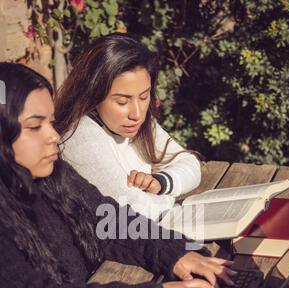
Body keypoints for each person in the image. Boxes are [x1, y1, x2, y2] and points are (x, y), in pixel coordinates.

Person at [0, 62, 236, 288]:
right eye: (35, 126)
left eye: (50, 122)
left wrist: (173, 252)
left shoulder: (51, 175)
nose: (54, 135)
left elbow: (107, 219)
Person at [55, 33, 201, 221]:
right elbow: (136, 211)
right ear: (92, 94)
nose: (137, 113)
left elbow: (191, 165)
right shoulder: (79, 137)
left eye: (144, 96)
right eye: (122, 101)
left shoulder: (136, 124)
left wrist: (159, 182)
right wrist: (168, 199)